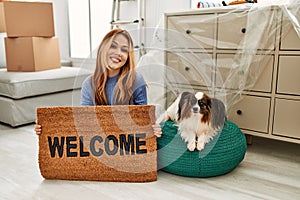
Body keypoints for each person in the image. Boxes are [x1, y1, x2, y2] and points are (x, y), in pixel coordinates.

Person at [35, 28, 162, 137]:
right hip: (101, 144)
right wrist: (48, 127)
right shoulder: (89, 84)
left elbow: (143, 119)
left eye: (124, 50)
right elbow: (85, 121)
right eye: (113, 46)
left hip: (127, 145)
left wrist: (152, 128)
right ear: (103, 49)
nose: (118, 53)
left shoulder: (136, 80)